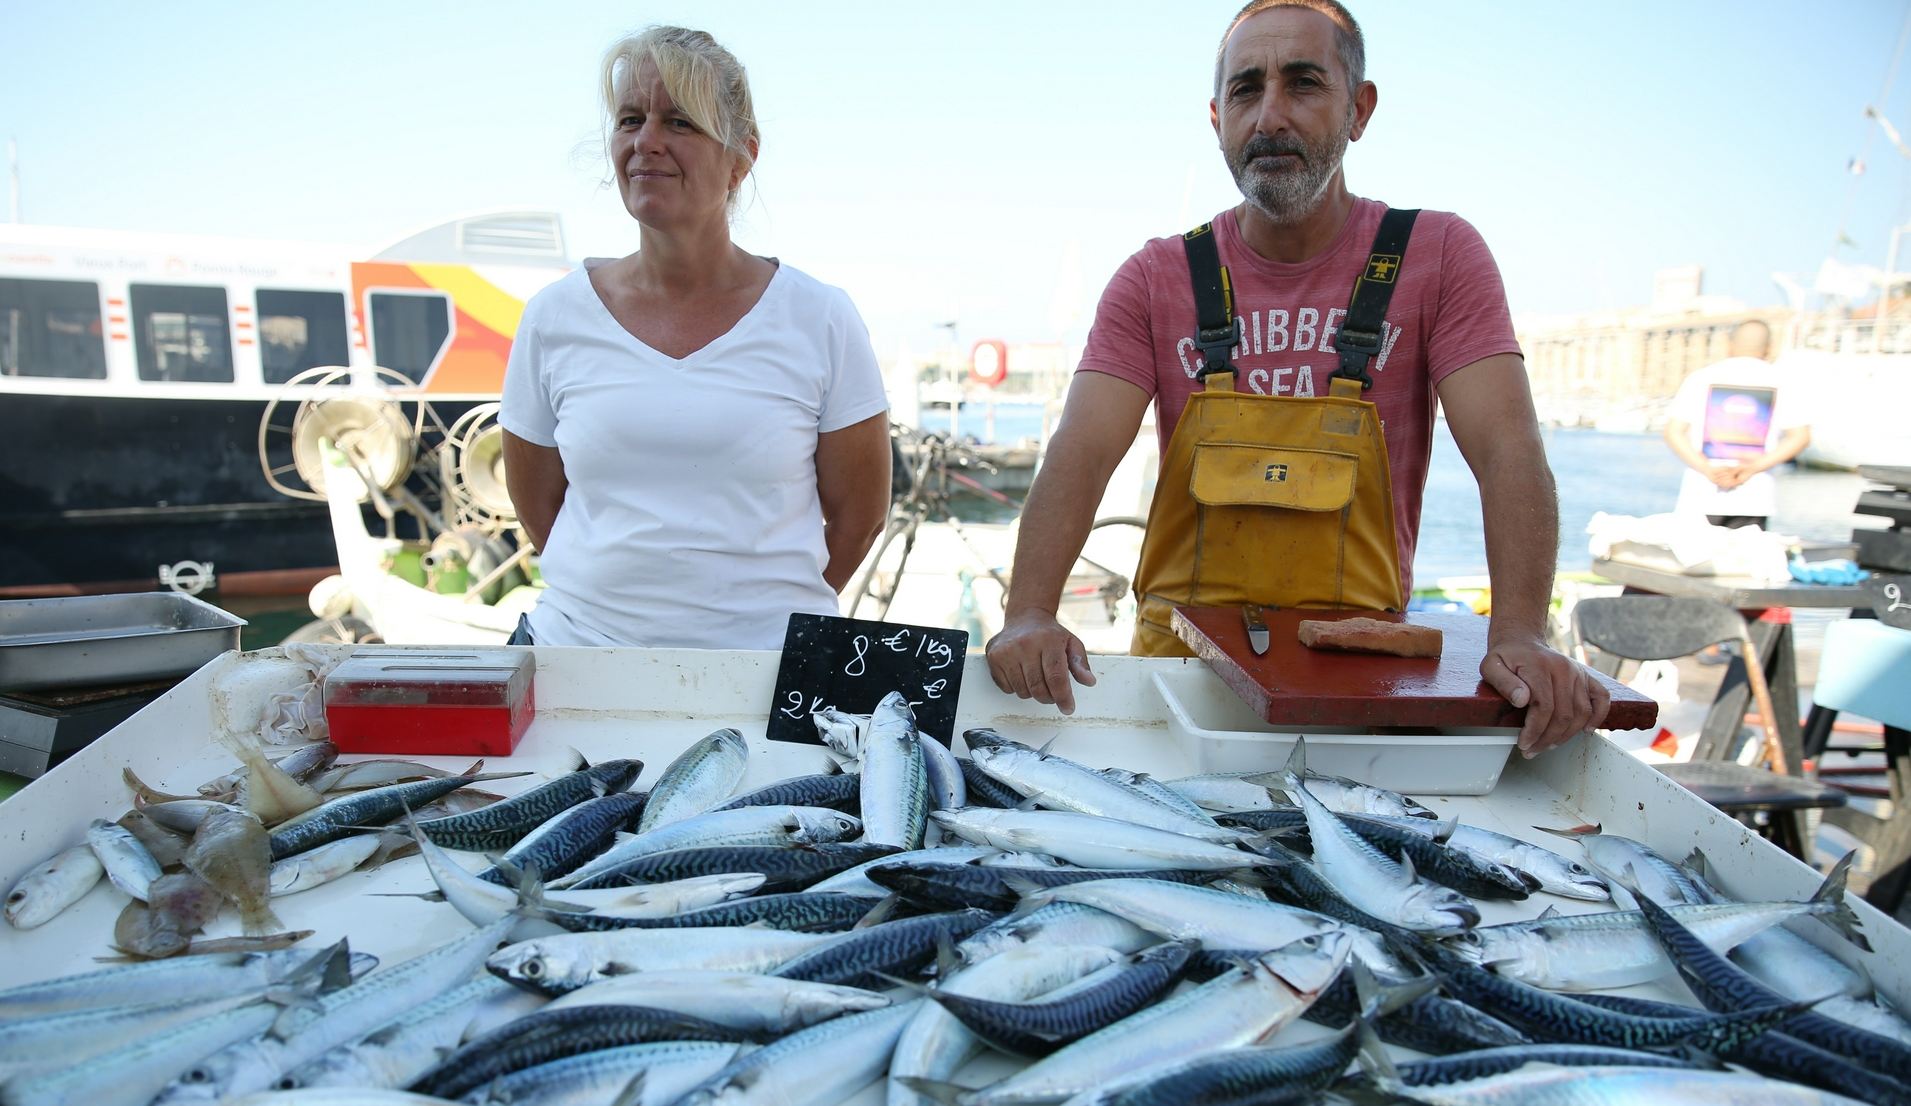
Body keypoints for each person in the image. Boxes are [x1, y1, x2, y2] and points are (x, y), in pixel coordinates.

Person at [985, 0, 1610, 756]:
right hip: (1178, 697)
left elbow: (1508, 449)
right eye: (1246, 90)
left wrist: (1518, 633)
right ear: (1217, 117)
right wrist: (1029, 612)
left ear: (1360, 109)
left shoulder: (1438, 254)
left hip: (1358, 693)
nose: (1270, 115)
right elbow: (1080, 450)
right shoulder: (1156, 276)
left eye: (1303, 84)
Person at [498, 26, 891, 650]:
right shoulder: (553, 317)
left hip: (767, 677)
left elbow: (860, 517)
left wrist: (755, 624)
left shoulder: (820, 318)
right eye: (631, 119)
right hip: (575, 659)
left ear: (741, 158)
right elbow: (538, 504)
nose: (646, 142)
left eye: (679, 123)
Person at [1664, 319, 1809, 531]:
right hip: (1754, 497)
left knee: (1694, 560)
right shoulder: (1784, 381)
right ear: (1770, 348)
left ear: (1728, 344)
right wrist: (1752, 468)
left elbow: (1673, 433)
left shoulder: (1701, 378)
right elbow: (1800, 437)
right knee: (1743, 561)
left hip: (1702, 493)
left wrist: (1707, 469)